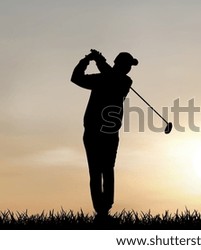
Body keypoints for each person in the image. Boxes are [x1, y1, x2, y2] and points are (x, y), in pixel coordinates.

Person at [71, 49, 138, 222]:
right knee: (97, 171)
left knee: (105, 170)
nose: (130, 69)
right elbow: (76, 78)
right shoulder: (106, 78)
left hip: (108, 133)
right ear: (120, 64)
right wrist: (87, 60)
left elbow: (111, 76)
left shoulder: (124, 81)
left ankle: (104, 210)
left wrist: (97, 59)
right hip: (95, 131)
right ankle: (101, 211)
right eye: (128, 65)